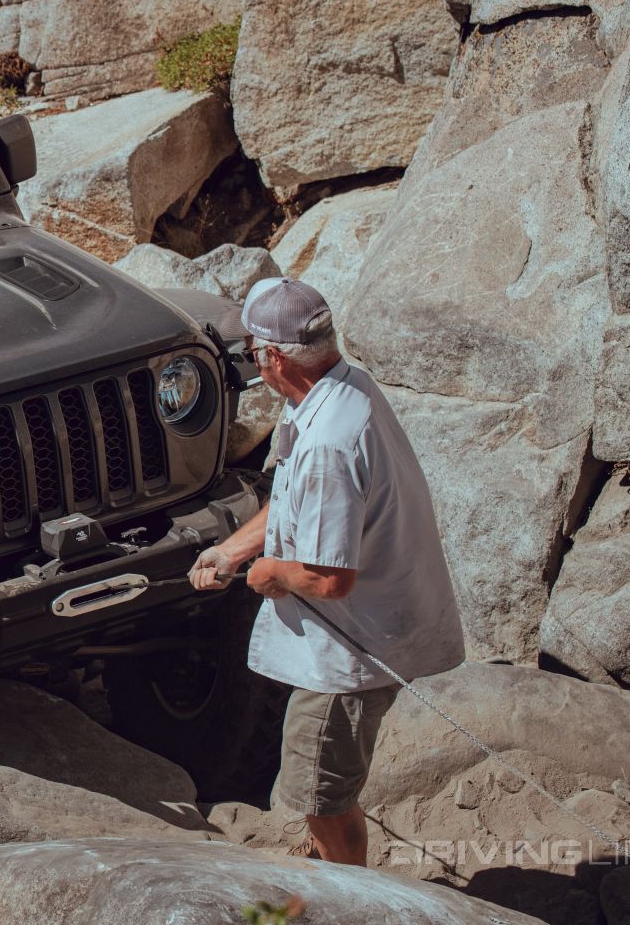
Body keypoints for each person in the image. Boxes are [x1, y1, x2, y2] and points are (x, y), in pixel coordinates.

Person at [188, 277, 465, 866]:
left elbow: (329, 580)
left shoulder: (328, 447)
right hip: (373, 627)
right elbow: (292, 501)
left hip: (352, 653)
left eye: (252, 353)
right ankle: (333, 869)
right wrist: (232, 551)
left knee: (320, 795)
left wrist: (267, 574)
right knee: (323, 790)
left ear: (274, 357)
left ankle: (348, 892)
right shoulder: (344, 387)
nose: (252, 364)